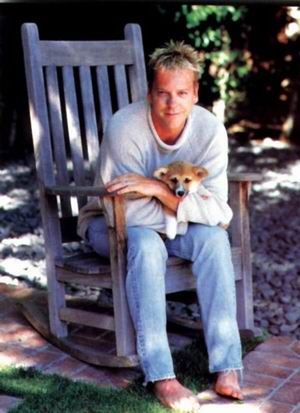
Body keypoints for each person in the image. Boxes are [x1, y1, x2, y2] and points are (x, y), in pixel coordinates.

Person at [78, 40, 243, 411]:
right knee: (148, 243)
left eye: (182, 93)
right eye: (163, 93)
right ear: (150, 93)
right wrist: (188, 207)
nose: (172, 104)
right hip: (110, 227)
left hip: (165, 225)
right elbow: (124, 213)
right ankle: (162, 376)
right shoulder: (125, 126)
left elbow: (220, 213)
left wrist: (157, 189)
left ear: (196, 93)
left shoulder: (210, 131)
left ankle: (228, 365)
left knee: (215, 241)